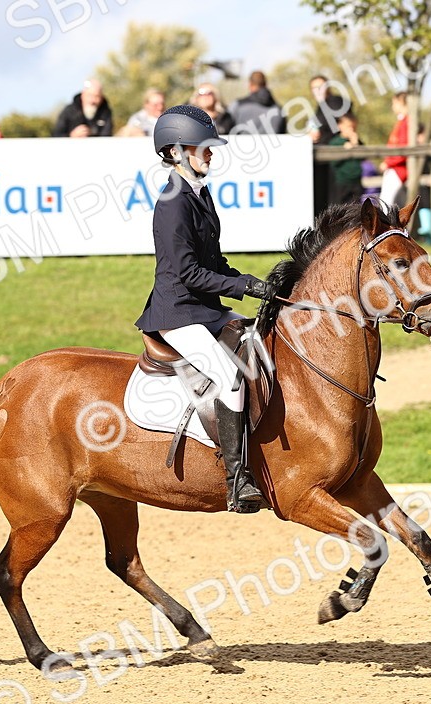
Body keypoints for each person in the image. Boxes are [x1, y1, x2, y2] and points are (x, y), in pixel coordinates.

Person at [134, 105, 277, 514]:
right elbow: (189, 274)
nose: (211, 153)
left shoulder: (199, 194)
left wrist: (255, 283)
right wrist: (243, 286)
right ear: (176, 152)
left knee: (262, 347)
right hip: (178, 312)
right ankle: (237, 480)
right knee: (231, 377)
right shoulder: (172, 203)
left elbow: (212, 263)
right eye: (203, 147)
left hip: (206, 307)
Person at [326, 112, 364, 206]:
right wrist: (344, 151)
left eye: (353, 127)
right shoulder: (336, 142)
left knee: (355, 207)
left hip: (356, 180)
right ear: (340, 126)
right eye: (348, 127)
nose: (351, 130)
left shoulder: (357, 141)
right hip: (342, 181)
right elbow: (333, 162)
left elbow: (363, 158)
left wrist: (355, 144)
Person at [378, 92, 409, 207]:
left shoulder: (406, 122)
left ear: (401, 102)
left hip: (398, 168)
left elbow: (402, 149)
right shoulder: (402, 122)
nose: (393, 106)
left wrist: (388, 162)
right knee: (386, 200)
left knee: (386, 201)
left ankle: (385, 225)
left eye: (395, 103)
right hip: (395, 167)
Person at [309, 75, 346, 143]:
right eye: (314, 88)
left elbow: (346, 123)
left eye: (321, 87)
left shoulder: (336, 102)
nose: (318, 91)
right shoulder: (320, 108)